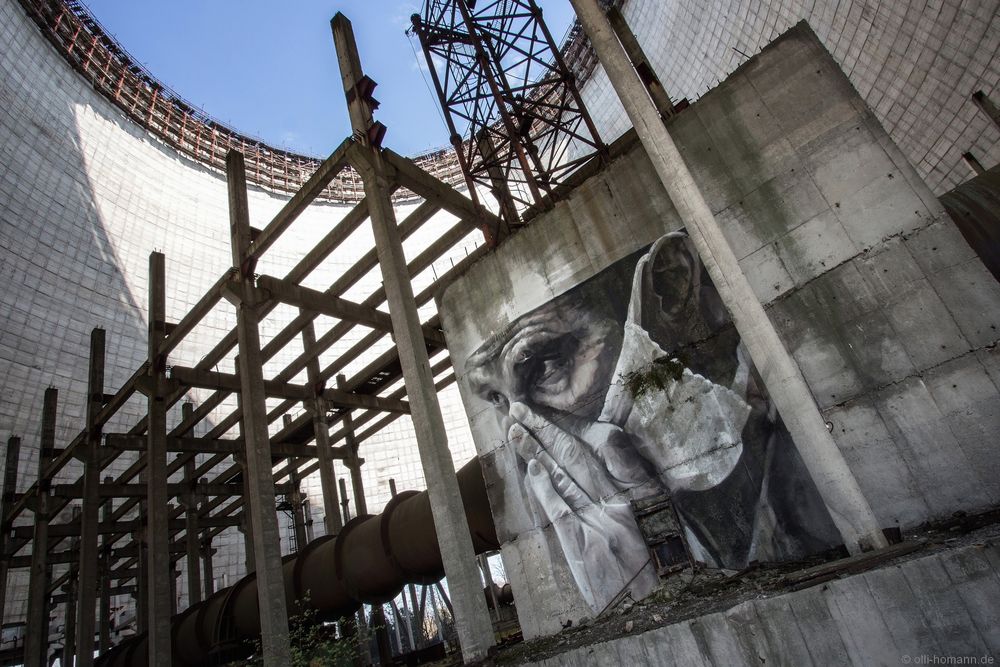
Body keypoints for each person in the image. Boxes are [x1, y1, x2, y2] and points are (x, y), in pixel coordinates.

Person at [464, 231, 842, 613]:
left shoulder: (818, 413)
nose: (522, 427)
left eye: (545, 367)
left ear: (669, 283)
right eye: (496, 398)